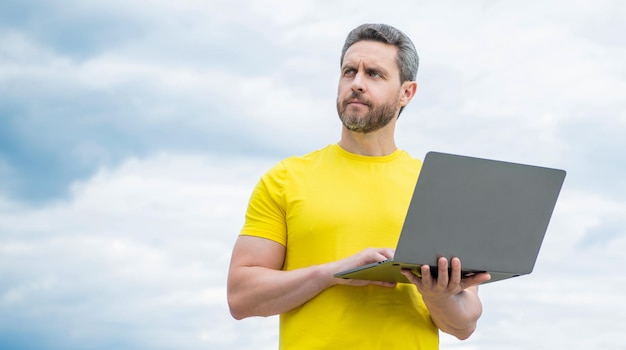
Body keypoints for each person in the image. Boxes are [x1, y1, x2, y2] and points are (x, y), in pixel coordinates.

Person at [227, 23, 491, 349]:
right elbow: (241, 297)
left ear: (407, 92)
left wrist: (437, 296)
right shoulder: (285, 178)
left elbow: (464, 324)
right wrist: (335, 272)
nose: (357, 84)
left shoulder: (437, 189)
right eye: (349, 72)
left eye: (374, 74)